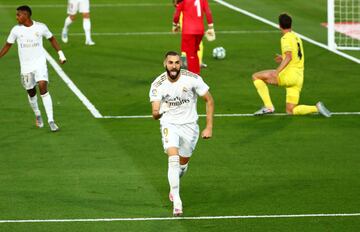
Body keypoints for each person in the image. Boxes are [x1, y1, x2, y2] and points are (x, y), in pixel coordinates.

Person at [149, 51, 214, 216]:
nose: (174, 66)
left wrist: (209, 127)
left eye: (177, 62)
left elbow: (209, 100)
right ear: (165, 64)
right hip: (169, 124)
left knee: (182, 165)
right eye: (170, 63)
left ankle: (175, 181)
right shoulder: (158, 84)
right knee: (173, 160)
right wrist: (160, 111)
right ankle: (177, 201)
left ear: (181, 64)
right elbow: (155, 113)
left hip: (190, 125)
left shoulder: (192, 78)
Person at [0, 5, 66, 132]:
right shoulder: (16, 30)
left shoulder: (41, 27)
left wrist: (61, 54)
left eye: (18, 15)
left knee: (42, 87)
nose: (17, 17)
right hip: (26, 66)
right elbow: (7, 45)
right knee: (31, 92)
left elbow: (51, 39)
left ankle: (51, 120)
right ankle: (37, 114)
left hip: (39, 63)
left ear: (26, 15)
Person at [252, 13, 331, 117]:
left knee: (256, 76)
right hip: (299, 78)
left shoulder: (285, 38)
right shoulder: (297, 37)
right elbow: (296, 56)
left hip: (289, 76)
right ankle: (316, 108)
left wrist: (277, 72)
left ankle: (268, 106)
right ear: (291, 25)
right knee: (291, 110)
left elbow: (289, 57)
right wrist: (283, 58)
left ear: (279, 26)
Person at [172, 0, 215, 74]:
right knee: (195, 53)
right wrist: (211, 27)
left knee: (190, 54)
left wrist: (175, 24)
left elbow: (177, 13)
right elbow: (208, 12)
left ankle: (193, 76)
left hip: (188, 31)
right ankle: (197, 73)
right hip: (200, 30)